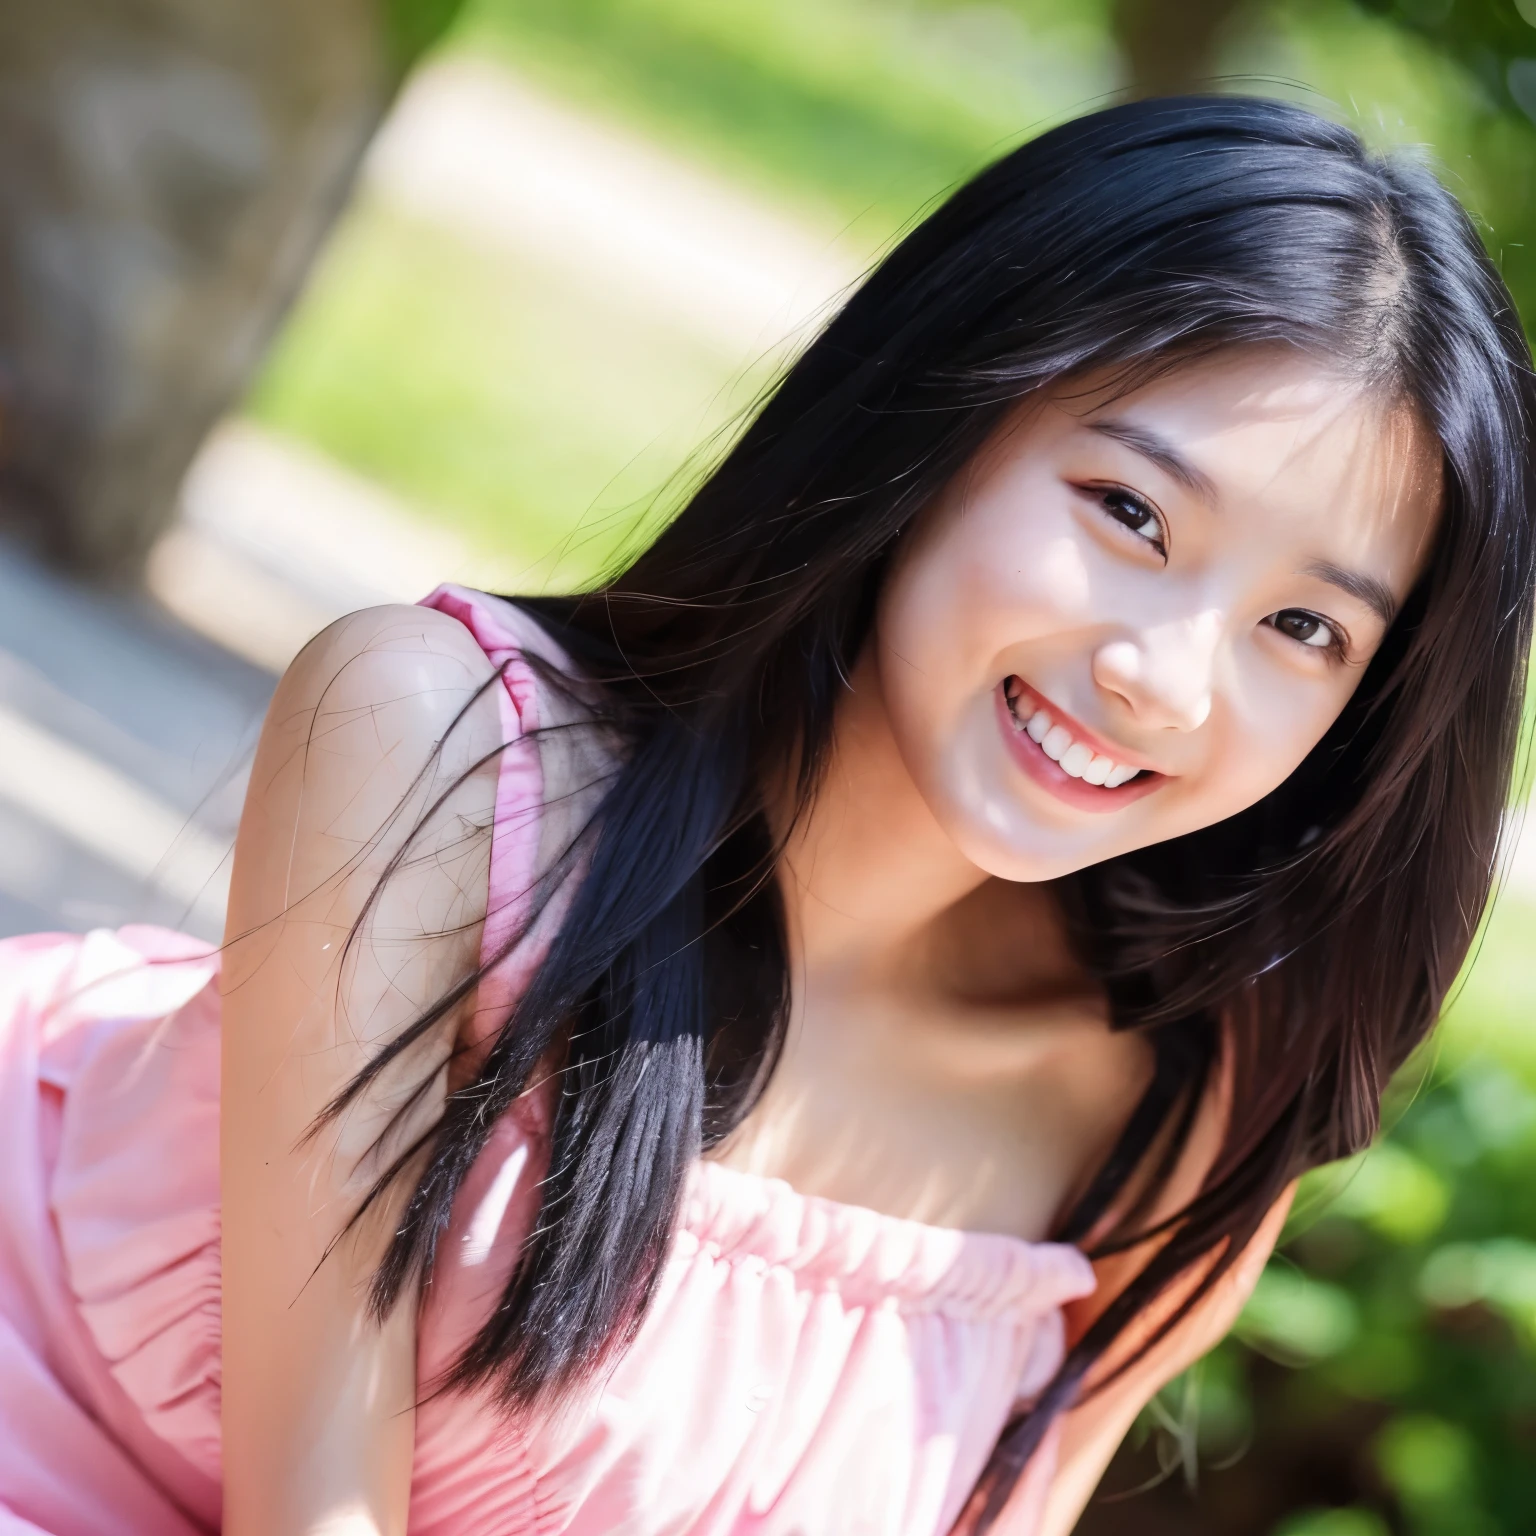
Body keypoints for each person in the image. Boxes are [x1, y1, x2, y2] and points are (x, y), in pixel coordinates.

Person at [2, 96, 1532, 1536]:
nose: (1164, 680)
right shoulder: (446, 744)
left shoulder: (1178, 1111)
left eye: (1304, 631)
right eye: (1129, 513)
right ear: (940, 423)